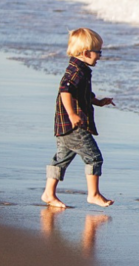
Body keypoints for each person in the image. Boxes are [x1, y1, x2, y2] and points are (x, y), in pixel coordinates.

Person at [42, 28, 115, 208]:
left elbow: (81, 94)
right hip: (74, 125)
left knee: (61, 158)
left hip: (64, 126)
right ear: (86, 53)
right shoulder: (76, 71)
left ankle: (49, 194)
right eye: (98, 52)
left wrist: (98, 102)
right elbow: (65, 91)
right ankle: (93, 194)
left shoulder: (80, 69)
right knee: (94, 157)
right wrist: (73, 114)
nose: (99, 56)